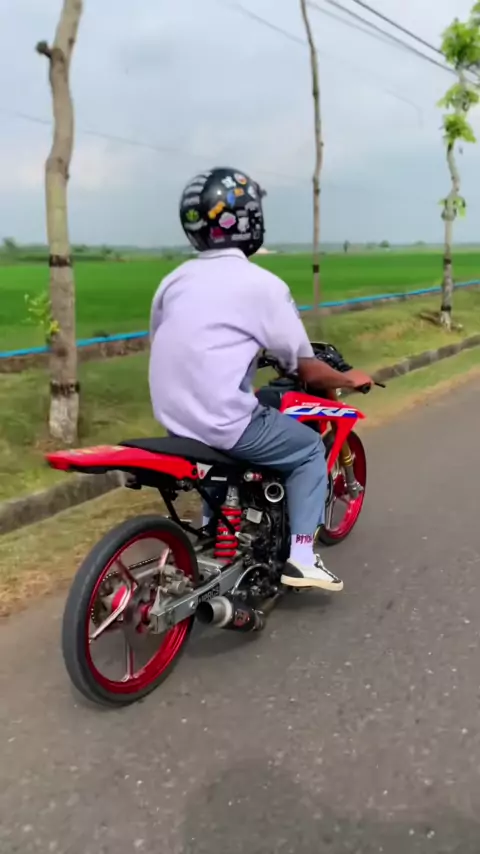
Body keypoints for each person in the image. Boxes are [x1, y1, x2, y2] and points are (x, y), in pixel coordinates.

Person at [149, 167, 373, 592]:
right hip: (224, 423)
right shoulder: (263, 285)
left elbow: (169, 342)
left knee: (252, 412)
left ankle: (216, 528)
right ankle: (302, 557)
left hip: (175, 421)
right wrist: (347, 377)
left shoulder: (173, 282)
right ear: (249, 220)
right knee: (307, 450)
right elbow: (304, 368)